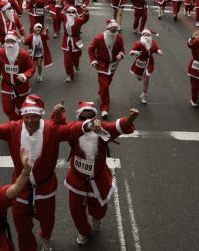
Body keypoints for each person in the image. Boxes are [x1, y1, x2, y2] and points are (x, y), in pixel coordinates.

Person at [0, 94, 94, 251]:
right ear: (22, 115)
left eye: (34, 116)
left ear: (40, 115)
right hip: (20, 187)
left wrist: (87, 125)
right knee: (22, 227)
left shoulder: (51, 129)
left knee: (47, 220)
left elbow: (71, 130)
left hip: (45, 188)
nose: (29, 121)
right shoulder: (14, 129)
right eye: (26, 116)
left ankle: (46, 237)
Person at [52, 101, 139, 246]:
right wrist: (58, 115)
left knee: (100, 210)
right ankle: (84, 232)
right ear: (78, 119)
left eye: (90, 117)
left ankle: (96, 217)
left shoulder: (102, 129)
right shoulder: (74, 130)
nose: (86, 122)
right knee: (76, 211)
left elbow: (118, 126)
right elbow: (58, 128)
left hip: (98, 180)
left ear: (95, 118)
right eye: (82, 118)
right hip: (77, 180)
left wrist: (130, 119)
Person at [0, 31, 35, 120]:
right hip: (7, 87)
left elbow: (31, 67)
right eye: (7, 42)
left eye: (12, 42)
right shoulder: (0, 53)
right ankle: (16, 123)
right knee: (7, 109)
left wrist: (25, 75)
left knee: (23, 109)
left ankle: (20, 124)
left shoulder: (23, 54)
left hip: (22, 87)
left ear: (16, 42)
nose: (9, 44)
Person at [88, 19, 125, 119]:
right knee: (105, 86)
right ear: (107, 30)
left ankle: (102, 94)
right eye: (112, 30)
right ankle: (104, 109)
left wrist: (120, 55)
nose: (114, 33)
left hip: (113, 65)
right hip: (102, 65)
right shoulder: (99, 38)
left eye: (116, 30)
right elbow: (91, 49)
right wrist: (93, 60)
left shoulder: (119, 38)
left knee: (107, 83)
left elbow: (122, 49)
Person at [129, 28, 163, 104]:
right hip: (140, 61)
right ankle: (139, 76)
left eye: (148, 35)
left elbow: (156, 49)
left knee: (146, 78)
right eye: (145, 35)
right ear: (142, 35)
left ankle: (144, 94)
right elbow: (131, 52)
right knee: (139, 77)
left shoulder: (153, 43)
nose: (147, 37)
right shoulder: (138, 43)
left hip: (149, 62)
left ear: (150, 36)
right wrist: (134, 52)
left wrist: (158, 51)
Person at [60, 5, 89, 82]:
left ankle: (76, 64)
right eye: (69, 12)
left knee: (77, 56)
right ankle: (70, 75)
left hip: (76, 40)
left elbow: (85, 19)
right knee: (67, 61)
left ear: (75, 13)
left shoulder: (78, 20)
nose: (70, 13)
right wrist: (62, 5)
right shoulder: (64, 18)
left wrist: (85, 11)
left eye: (73, 12)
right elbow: (58, 13)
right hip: (66, 42)